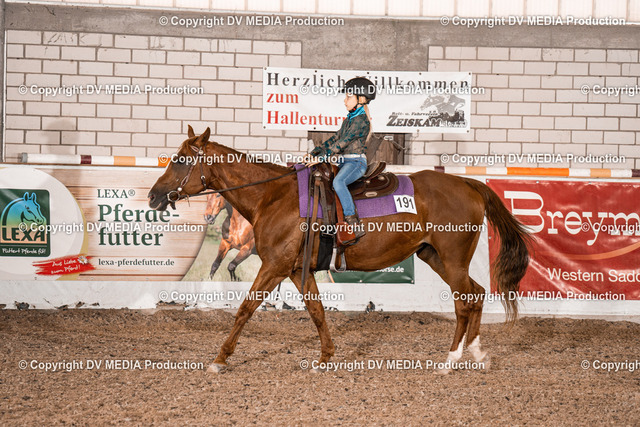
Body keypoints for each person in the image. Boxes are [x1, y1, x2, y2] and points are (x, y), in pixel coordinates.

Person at [304, 77, 376, 244]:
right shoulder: (349, 120)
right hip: (344, 162)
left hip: (356, 163)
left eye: (349, 97)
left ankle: (352, 221)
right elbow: (335, 138)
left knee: (338, 182)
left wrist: (322, 157)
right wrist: (314, 152)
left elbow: (342, 143)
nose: (345, 101)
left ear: (361, 99)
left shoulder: (361, 121)